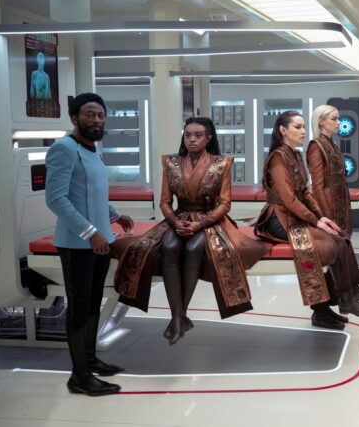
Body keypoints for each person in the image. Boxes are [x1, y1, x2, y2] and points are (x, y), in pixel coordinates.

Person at [114, 117, 269, 345]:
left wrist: (200, 224)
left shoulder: (221, 163)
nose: (192, 139)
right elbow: (165, 202)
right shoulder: (171, 163)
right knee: (169, 246)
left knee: (194, 247)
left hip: (209, 219)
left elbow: (225, 204)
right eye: (187, 135)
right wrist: (175, 222)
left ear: (208, 138)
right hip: (179, 217)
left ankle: (179, 314)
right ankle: (178, 316)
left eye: (198, 135)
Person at [45, 92, 133, 396]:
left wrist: (116, 215)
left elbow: (93, 193)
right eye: (89, 114)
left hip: (101, 240)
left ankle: (91, 359)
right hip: (77, 244)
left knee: (94, 303)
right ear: (74, 118)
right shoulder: (63, 149)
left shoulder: (94, 149)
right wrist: (90, 233)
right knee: (80, 307)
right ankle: (79, 376)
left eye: (101, 115)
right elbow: (56, 199)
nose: (96, 120)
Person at [256, 111, 359, 331]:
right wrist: (315, 221)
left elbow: (305, 193)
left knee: (339, 238)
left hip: (294, 217)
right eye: (297, 127)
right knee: (321, 245)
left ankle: (343, 298)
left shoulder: (295, 155)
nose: (303, 131)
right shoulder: (278, 158)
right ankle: (329, 307)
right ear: (283, 130)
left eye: (303, 127)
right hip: (279, 220)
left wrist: (321, 217)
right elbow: (289, 200)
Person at [307, 104, 359, 314]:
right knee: (340, 245)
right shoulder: (316, 146)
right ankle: (347, 297)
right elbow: (318, 186)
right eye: (334, 119)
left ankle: (354, 289)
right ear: (321, 122)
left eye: (338, 118)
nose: (339, 123)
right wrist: (325, 214)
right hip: (329, 205)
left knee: (345, 243)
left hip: (339, 201)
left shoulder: (331, 144)